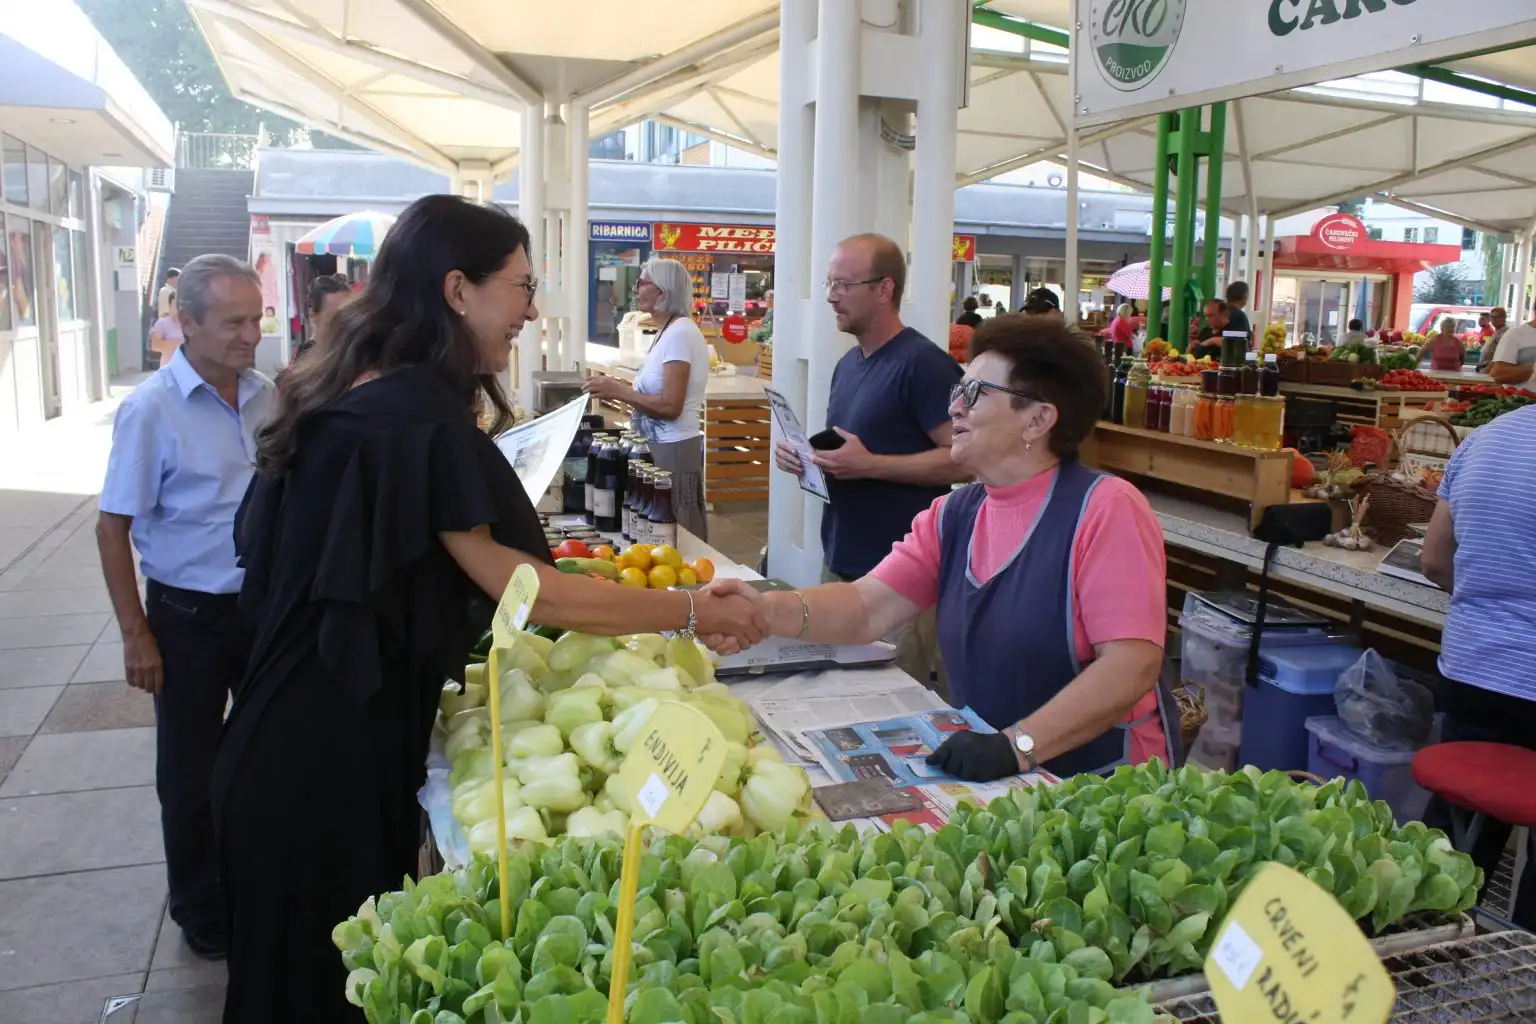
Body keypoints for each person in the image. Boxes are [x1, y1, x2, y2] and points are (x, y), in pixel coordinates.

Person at [212, 196, 766, 1022]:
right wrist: (686, 609)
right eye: (522, 286)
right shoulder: (413, 418)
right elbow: (524, 585)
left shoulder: (352, 387)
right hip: (318, 768)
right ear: (457, 290)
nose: (533, 309)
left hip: (285, 741)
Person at [725, 316, 1168, 781]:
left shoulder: (1106, 510)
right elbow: (864, 607)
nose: (954, 406)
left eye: (974, 393)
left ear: (1038, 418)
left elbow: (1132, 663)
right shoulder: (955, 513)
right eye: (958, 389)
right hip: (1004, 771)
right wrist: (757, 609)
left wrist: (1018, 745)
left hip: (1102, 786)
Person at [96, 254, 274, 961]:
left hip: (260, 609)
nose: (249, 335)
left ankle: (258, 885)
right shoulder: (151, 409)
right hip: (189, 619)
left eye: (256, 318)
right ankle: (201, 907)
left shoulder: (267, 396)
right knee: (191, 771)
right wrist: (136, 634)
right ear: (188, 322)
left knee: (263, 756)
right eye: (233, 321)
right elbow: (113, 527)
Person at [773, 233, 965, 688]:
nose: (831, 296)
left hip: (900, 576)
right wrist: (810, 460)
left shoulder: (925, 366)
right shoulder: (850, 363)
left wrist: (870, 464)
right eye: (829, 283)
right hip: (841, 557)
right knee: (834, 688)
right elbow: (853, 453)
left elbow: (963, 462)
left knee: (886, 700)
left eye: (843, 284)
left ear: (885, 289)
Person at [1420, 402, 1536, 929]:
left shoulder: (1485, 440)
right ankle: (1520, 968)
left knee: (1456, 838)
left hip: (1472, 670)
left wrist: (1483, 604)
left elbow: (1434, 561)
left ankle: (1421, 949)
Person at [582, 257, 712, 538]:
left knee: (677, 535)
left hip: (673, 451)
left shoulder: (680, 334)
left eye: (642, 283)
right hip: (658, 448)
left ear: (662, 292)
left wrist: (618, 391)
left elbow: (670, 405)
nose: (636, 289)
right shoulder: (667, 332)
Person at [294, 274, 354, 362]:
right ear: (313, 315)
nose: (345, 323)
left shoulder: (358, 355)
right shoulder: (303, 362)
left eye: (351, 314)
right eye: (335, 318)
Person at [1485, 308, 1536, 385]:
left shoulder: (1503, 331)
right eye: (1492, 317)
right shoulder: (1516, 333)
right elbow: (1498, 374)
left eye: (1496, 316)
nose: (1493, 319)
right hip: (1523, 395)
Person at [148, 292, 185, 368]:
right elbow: (155, 345)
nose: (177, 308)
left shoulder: (192, 323)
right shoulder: (162, 323)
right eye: (175, 304)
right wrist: (181, 344)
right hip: (168, 367)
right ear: (170, 306)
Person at [1477, 307, 1508, 373]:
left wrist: (1489, 368)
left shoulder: (1504, 332)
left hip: (1490, 369)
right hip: (1484, 367)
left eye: (1497, 317)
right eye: (1492, 317)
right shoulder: (1495, 332)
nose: (1494, 319)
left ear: (1503, 318)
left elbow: (1501, 354)